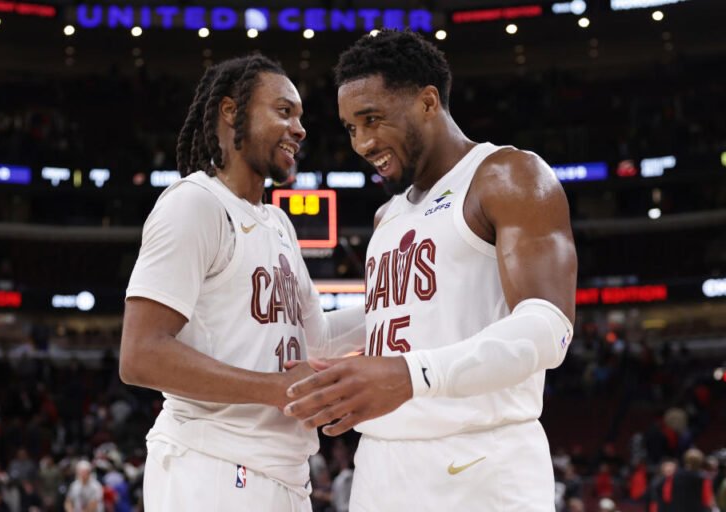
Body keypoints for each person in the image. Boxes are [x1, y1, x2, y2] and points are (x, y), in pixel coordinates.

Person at [284, 29, 578, 511]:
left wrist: (408, 374)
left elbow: (550, 329)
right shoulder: (388, 215)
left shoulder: (507, 176)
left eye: (372, 119)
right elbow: (393, 317)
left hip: (478, 461)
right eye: (350, 127)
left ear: (427, 102)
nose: (362, 142)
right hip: (380, 465)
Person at [119, 53, 364, 511]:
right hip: (212, 465)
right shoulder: (194, 204)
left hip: (282, 472)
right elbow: (141, 354)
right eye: (284, 111)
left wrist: (396, 301)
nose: (300, 128)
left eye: (300, 116)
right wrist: (273, 389)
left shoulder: (278, 224)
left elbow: (320, 339)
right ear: (230, 112)